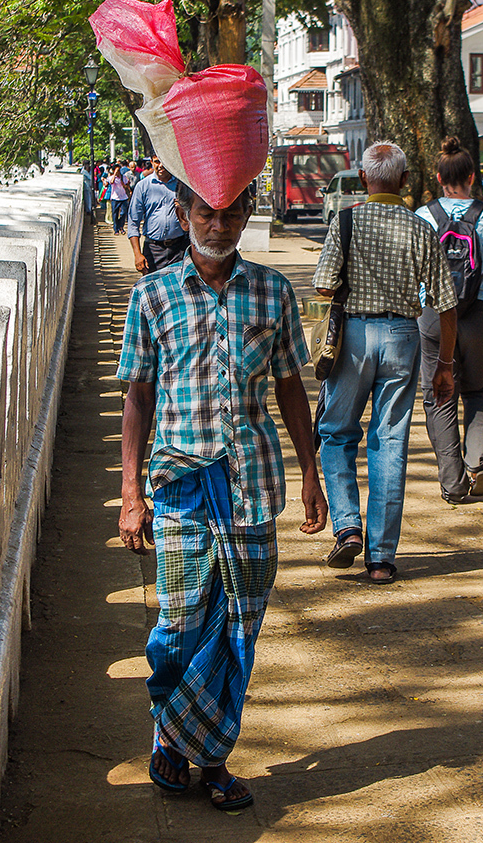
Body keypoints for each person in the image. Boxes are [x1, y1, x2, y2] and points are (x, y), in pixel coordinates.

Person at [118, 180, 328, 809]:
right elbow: (137, 395)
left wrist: (313, 475)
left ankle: (213, 756)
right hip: (179, 483)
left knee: (240, 622)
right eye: (207, 212)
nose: (219, 224)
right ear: (184, 216)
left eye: (232, 212)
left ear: (245, 216)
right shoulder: (152, 295)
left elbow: (292, 387)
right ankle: (169, 738)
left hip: (251, 482)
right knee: (181, 622)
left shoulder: (273, 292)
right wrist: (131, 492)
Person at [313, 141, 457, 584]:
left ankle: (347, 525)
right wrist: (445, 365)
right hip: (402, 338)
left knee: (336, 433)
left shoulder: (346, 219)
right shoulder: (421, 229)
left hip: (354, 336)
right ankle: (381, 559)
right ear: (406, 180)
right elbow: (446, 305)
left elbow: (322, 285)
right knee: (390, 441)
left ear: (362, 179)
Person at [414, 136, 483, 502]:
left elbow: (413, 269)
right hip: (482, 313)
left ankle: (453, 484)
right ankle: (477, 465)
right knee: (478, 390)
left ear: (438, 177)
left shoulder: (424, 216)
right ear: (472, 176)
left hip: (434, 315)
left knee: (439, 395)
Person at [127, 154, 187, 273]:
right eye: (156, 162)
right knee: (151, 288)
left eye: (163, 162)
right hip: (153, 250)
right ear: (152, 162)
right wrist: (137, 254)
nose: (160, 166)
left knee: (178, 289)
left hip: (179, 249)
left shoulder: (182, 186)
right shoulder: (143, 187)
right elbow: (133, 222)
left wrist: (183, 207)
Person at [103, 163, 131, 234]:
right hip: (115, 198)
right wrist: (115, 175)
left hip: (123, 197)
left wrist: (122, 181)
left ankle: (121, 226)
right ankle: (116, 229)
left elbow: (126, 185)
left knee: (123, 213)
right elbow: (111, 182)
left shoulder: (123, 177)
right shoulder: (111, 178)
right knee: (115, 214)